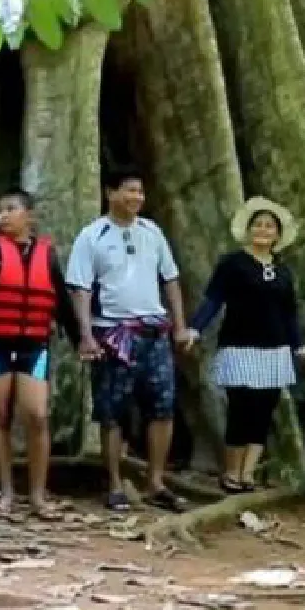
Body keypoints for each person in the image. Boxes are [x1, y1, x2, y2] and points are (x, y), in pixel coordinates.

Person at [66, 169, 190, 513]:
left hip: (154, 332)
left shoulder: (151, 232)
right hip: (113, 334)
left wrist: (179, 326)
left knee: (162, 407)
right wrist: (87, 335)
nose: (137, 197)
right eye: (130, 191)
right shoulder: (92, 236)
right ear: (111, 193)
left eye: (140, 192)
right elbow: (79, 288)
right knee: (112, 412)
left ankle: (156, 482)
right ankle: (116, 483)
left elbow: (171, 278)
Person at [180, 197, 305, 494]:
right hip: (239, 347)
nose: (263, 230)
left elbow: (290, 313)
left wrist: (298, 347)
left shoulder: (283, 271)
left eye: (269, 226)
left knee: (264, 412)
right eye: (258, 224)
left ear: (278, 235)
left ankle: (248, 473)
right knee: (241, 409)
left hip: (275, 350)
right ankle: (231, 472)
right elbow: (214, 300)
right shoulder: (233, 264)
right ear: (249, 229)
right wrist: (194, 329)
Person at [0, 188, 82, 518]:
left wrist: (81, 340)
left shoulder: (47, 254)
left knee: (36, 415)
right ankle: (5, 493)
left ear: (29, 216)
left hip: (34, 345)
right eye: (0, 211)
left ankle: (37, 495)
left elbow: (60, 299)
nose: (3, 216)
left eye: (11, 209)